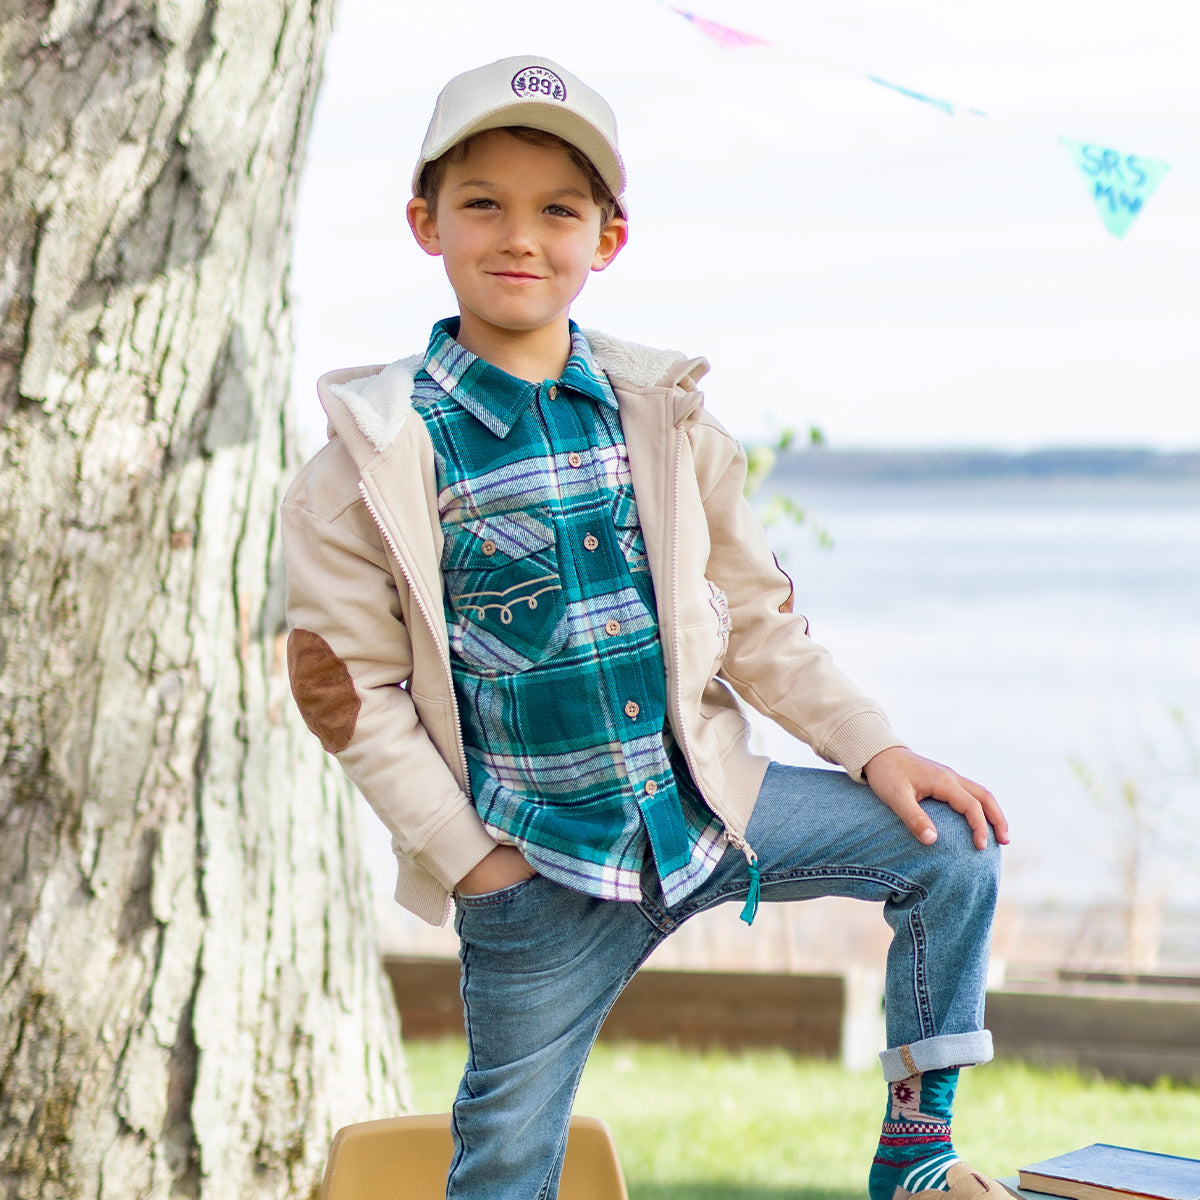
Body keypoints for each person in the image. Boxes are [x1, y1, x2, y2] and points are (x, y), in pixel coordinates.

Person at [282, 54, 1012, 1200]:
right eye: (484, 205)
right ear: (426, 223)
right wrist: (475, 863)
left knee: (955, 850)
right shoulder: (367, 462)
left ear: (606, 240)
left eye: (557, 211)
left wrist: (875, 748)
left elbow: (760, 621)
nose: (520, 237)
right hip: (537, 864)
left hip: (708, 807)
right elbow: (349, 693)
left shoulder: (666, 420)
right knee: (506, 1163)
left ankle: (916, 1151)